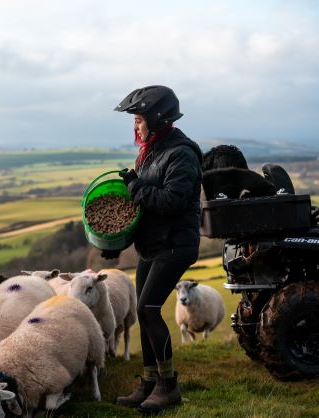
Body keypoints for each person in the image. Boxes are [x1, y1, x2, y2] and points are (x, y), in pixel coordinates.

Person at [109, 85, 203, 413]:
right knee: (141, 310)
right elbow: (146, 202)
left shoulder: (181, 153)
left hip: (176, 244)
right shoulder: (152, 150)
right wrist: (116, 241)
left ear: (157, 118)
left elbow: (171, 201)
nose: (135, 126)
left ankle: (168, 386)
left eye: (138, 119)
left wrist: (136, 185)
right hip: (153, 244)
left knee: (149, 309)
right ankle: (149, 383)